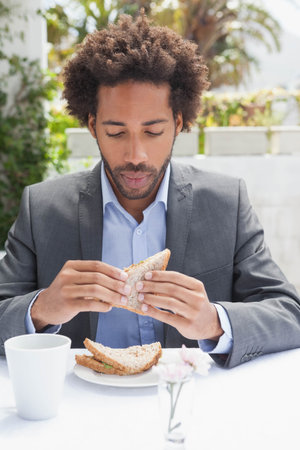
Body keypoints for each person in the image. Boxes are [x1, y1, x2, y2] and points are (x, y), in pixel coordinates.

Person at [0, 12, 299, 369]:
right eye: (116, 132)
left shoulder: (226, 203)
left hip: (188, 406)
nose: (135, 156)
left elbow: (289, 314)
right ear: (93, 126)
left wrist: (214, 322)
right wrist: (42, 308)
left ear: (178, 123)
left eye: (153, 132)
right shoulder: (42, 208)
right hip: (79, 409)